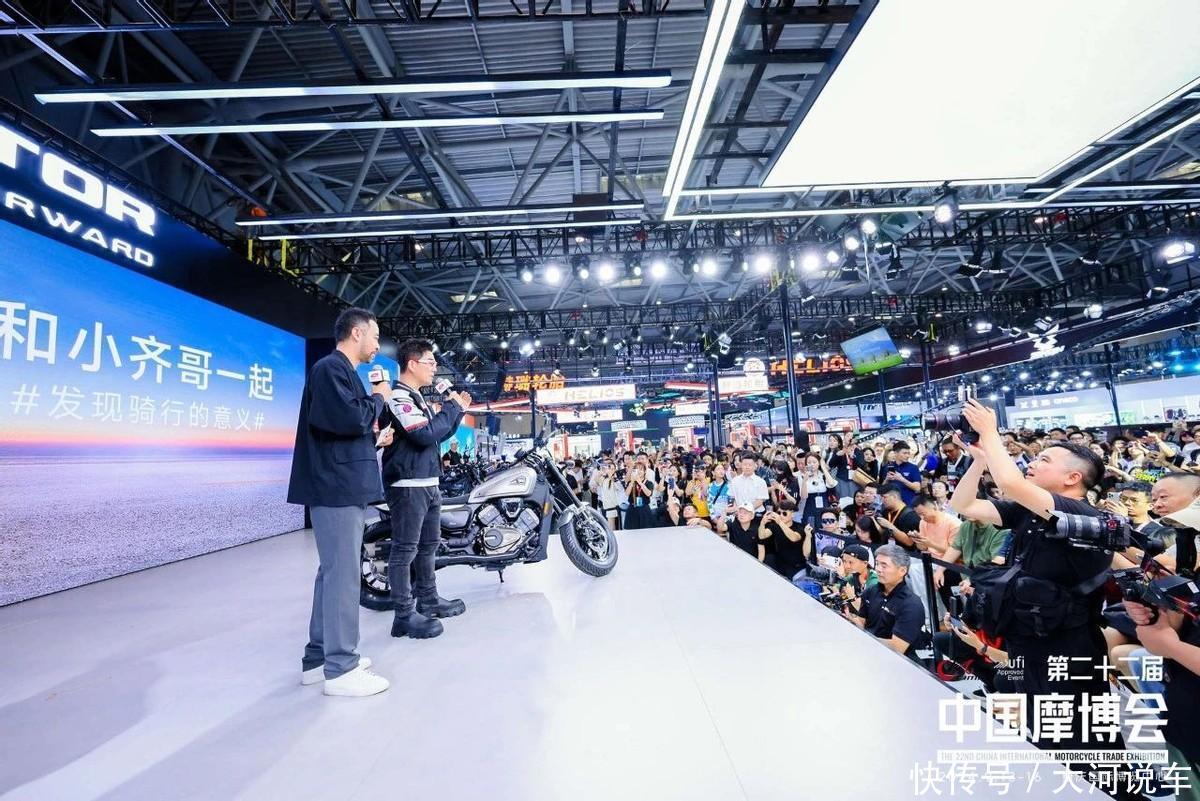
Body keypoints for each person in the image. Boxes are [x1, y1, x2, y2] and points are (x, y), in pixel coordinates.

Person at [949, 399, 1114, 749]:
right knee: (1044, 729)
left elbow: (1009, 483)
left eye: (1044, 460)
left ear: (1073, 478)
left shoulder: (1078, 514)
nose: (1033, 463)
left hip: (1068, 644)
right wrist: (979, 462)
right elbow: (963, 505)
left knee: (1084, 735)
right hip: (1028, 637)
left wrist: (990, 431)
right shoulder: (1030, 511)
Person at [288, 307, 392, 697]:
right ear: (356, 333)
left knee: (332, 573)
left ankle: (318, 659)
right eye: (375, 336)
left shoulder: (340, 372)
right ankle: (341, 667)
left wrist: (373, 436)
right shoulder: (330, 369)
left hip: (340, 486)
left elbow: (343, 428)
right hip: (335, 488)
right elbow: (349, 419)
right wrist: (379, 399)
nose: (378, 345)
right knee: (343, 575)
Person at [379, 339, 471, 640]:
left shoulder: (416, 397)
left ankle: (428, 600)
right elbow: (423, 435)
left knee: (429, 545)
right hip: (408, 485)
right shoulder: (398, 398)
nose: (434, 368)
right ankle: (403, 615)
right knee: (404, 549)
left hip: (429, 482)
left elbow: (437, 435)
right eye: (430, 362)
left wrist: (457, 412)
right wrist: (451, 407)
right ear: (412, 364)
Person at [842, 543, 928, 660]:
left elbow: (898, 647)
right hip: (867, 652)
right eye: (877, 564)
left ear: (902, 570)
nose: (878, 569)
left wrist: (865, 641)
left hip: (898, 661)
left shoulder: (911, 605)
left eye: (884, 566)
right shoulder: (870, 591)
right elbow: (862, 622)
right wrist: (848, 620)